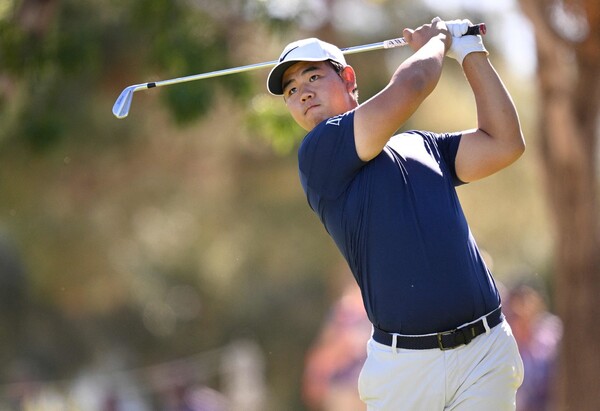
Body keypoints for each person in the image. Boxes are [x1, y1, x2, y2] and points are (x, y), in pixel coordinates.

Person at [267, 17, 526, 410]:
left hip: (485, 354)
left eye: (313, 78)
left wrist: (470, 50)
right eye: (290, 90)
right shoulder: (317, 154)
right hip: (406, 370)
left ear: (348, 79)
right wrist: (437, 41)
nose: (302, 94)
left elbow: (504, 143)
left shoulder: (420, 144)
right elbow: (413, 84)